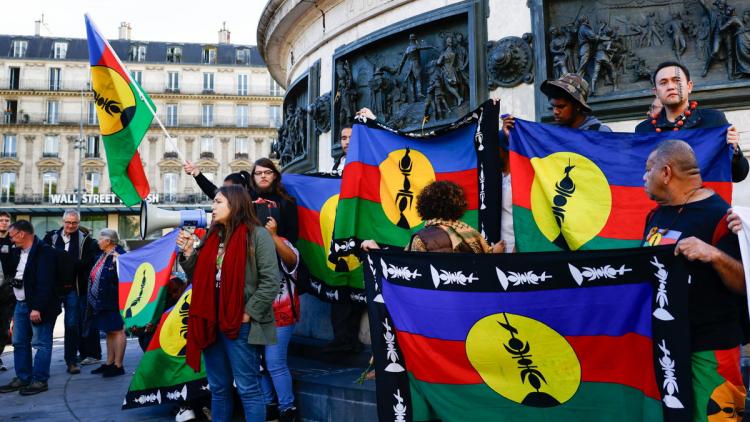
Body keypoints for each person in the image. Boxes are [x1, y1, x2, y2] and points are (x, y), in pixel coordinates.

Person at [642, 139, 746, 420]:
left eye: (648, 169)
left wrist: (713, 254)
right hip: (666, 346)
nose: (643, 177)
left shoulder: (721, 216)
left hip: (711, 347)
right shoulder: (655, 214)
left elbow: (744, 284)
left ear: (666, 173)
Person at [178, 185, 280, 422]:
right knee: (219, 387)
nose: (212, 207)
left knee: (248, 388)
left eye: (218, 202)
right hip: (212, 319)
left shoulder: (257, 235)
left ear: (235, 204)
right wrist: (189, 252)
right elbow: (198, 279)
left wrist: (248, 313)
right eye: (213, 202)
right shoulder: (213, 237)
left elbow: (270, 281)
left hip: (240, 323)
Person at [635, 61, 748, 183]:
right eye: (663, 83)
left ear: (689, 86)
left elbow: (739, 175)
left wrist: (734, 150)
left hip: (704, 200)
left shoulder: (713, 120)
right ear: (656, 92)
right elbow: (637, 175)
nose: (671, 86)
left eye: (676, 80)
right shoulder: (644, 130)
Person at [0, 221, 60, 395]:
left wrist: (37, 308)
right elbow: (13, 272)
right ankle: (23, 377)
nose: (10, 240)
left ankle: (40, 380)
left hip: (37, 307)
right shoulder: (17, 251)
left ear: (21, 234)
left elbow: (46, 284)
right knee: (19, 342)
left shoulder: (45, 252)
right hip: (20, 303)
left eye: (11, 236)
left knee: (41, 343)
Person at [362, 181, 504, 253]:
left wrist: (376, 252)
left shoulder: (421, 239)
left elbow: (408, 271)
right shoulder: (471, 233)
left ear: (424, 205)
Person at [42, 209, 101, 374]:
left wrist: (65, 262)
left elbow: (87, 262)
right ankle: (42, 364)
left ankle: (71, 361)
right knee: (48, 325)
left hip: (73, 289)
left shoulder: (86, 240)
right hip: (53, 289)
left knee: (72, 326)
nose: (71, 226)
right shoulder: (51, 237)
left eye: (74, 223)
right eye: (68, 222)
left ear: (78, 223)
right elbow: (45, 259)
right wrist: (72, 262)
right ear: (63, 221)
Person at [262, 224, 301, 422]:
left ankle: (287, 408)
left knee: (274, 363)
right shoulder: (248, 241)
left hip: (282, 314)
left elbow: (293, 261)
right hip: (256, 315)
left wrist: (274, 235)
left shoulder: (283, 242)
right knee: (260, 364)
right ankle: (269, 406)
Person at [502, 73, 612, 137]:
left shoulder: (601, 133)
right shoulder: (553, 135)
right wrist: (513, 137)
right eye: (553, 106)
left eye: (561, 107)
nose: (555, 111)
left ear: (578, 106)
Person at [85, 229, 126, 378]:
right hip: (103, 300)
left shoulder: (120, 255)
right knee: (109, 331)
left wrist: (120, 263)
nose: (98, 241)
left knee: (117, 330)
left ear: (108, 241)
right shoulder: (102, 255)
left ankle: (118, 365)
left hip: (114, 299)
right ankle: (109, 363)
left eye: (100, 239)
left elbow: (126, 277)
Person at [0, 211, 16, 372]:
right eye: (1, 220)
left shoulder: (12, 240)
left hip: (7, 289)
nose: (4, 223)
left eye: (6, 220)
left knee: (4, 327)